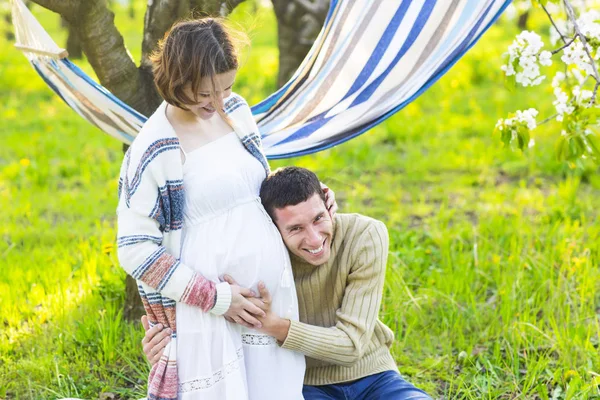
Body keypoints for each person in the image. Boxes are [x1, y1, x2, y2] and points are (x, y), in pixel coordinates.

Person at [117, 19, 335, 400]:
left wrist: (310, 202)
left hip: (266, 301)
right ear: (176, 79)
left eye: (226, 87)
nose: (217, 102)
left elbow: (253, 190)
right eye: (205, 93)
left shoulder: (236, 110)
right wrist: (217, 299)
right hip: (208, 313)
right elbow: (135, 249)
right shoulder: (153, 149)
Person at [143, 167, 431, 400]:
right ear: (271, 229)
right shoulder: (258, 258)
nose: (315, 239)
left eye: (319, 218)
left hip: (374, 375)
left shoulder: (364, 234)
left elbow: (351, 345)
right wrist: (168, 351)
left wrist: (272, 324)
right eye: (295, 229)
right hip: (302, 384)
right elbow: (211, 324)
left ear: (328, 203)